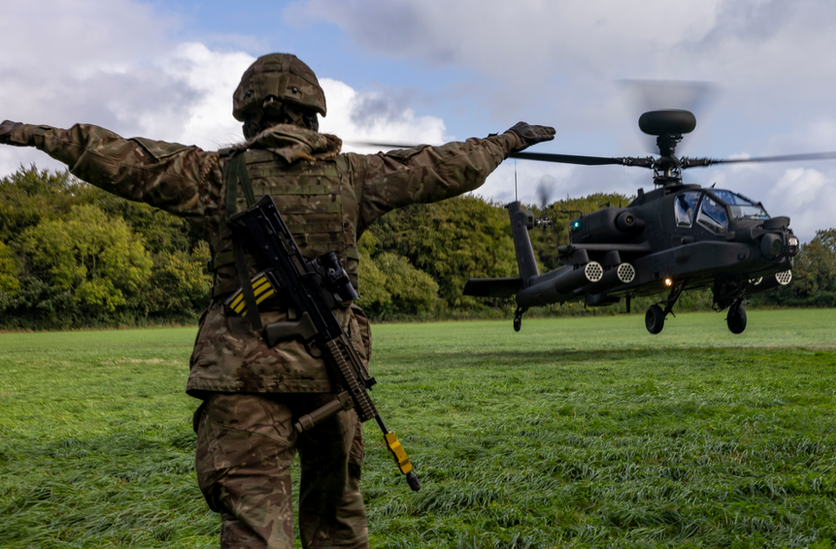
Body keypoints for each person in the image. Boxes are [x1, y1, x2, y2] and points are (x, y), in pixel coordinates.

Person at [0, 53, 555, 549]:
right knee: (336, 521)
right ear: (314, 113)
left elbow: (115, 155)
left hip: (242, 378)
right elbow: (444, 166)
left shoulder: (213, 175)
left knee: (255, 529)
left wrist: (29, 134)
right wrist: (504, 141)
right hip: (332, 375)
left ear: (247, 116)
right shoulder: (356, 174)